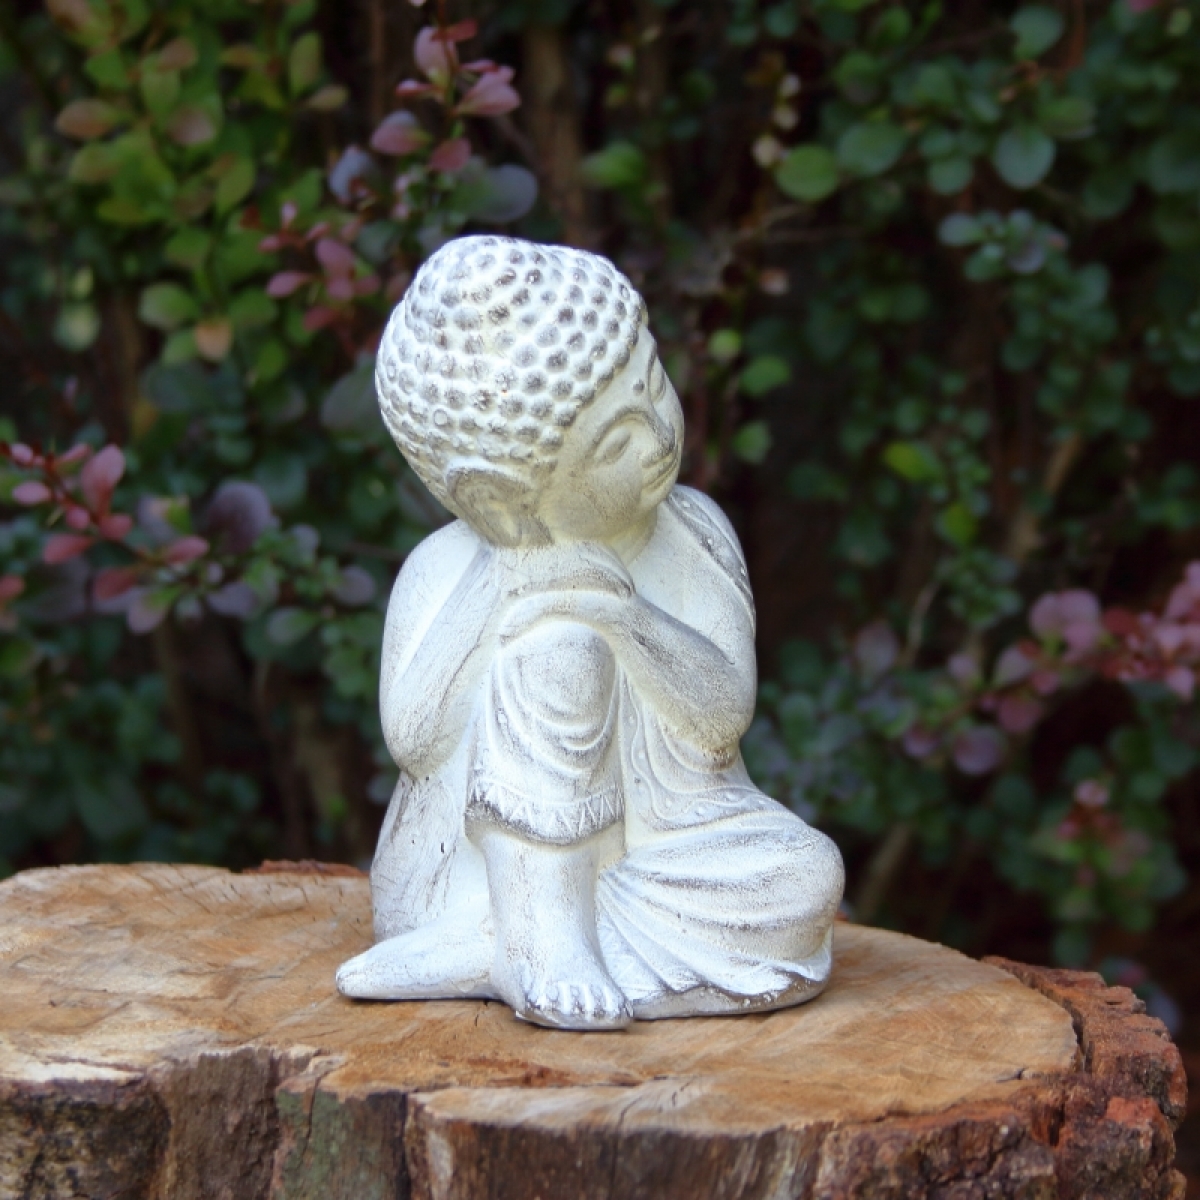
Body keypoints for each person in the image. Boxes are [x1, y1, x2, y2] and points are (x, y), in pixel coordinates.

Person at [336, 235, 843, 1030]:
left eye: (655, 387)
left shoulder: (693, 530)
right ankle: (541, 936)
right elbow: (415, 738)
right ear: (499, 499)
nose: (659, 440)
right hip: (465, 873)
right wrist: (501, 588)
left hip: (669, 847)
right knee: (557, 648)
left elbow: (721, 717)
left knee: (808, 875)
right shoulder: (446, 568)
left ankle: (485, 949)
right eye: (616, 444)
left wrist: (626, 617)